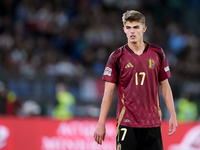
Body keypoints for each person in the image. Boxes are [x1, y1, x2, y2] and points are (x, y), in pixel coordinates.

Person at [94, 10, 178, 150]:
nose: (132, 31)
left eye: (136, 27)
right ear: (124, 30)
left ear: (144, 29)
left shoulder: (157, 53)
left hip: (152, 123)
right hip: (127, 123)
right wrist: (101, 123)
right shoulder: (116, 57)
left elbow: (165, 85)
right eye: (128, 27)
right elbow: (108, 93)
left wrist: (173, 115)